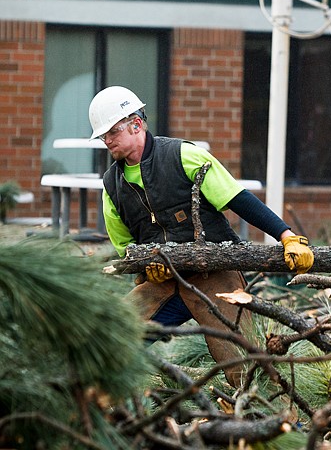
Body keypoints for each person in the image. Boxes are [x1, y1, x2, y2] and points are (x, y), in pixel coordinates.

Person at [89, 85, 314, 385]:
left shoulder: (183, 155)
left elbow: (237, 198)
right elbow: (126, 248)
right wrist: (146, 269)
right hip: (165, 283)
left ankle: (281, 423)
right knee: (112, 340)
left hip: (216, 277)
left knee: (245, 364)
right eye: (103, 135)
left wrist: (285, 235)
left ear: (136, 124)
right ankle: (115, 414)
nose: (107, 140)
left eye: (112, 132)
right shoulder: (111, 186)